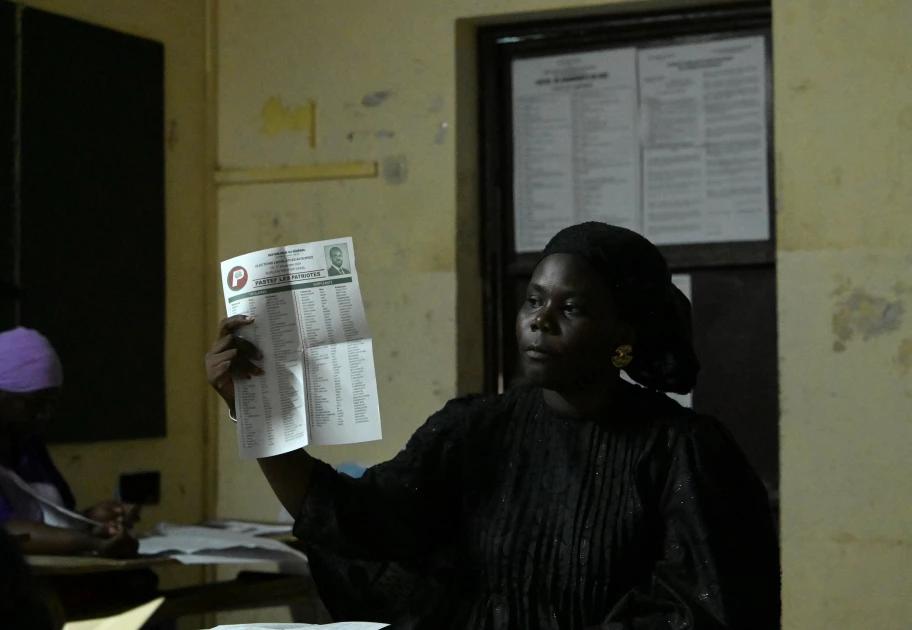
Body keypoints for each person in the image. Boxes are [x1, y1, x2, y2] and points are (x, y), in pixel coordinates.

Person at [206, 223, 780, 629]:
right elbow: (359, 525)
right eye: (534, 299)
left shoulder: (685, 453)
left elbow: (708, 611)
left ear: (623, 337)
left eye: (571, 308)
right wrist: (259, 409)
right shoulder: (475, 430)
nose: (539, 320)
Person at [0, 327, 138, 558]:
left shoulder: (28, 445)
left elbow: (48, 521)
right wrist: (91, 542)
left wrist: (89, 520)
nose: (45, 414)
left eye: (51, 403)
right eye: (34, 403)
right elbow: (7, 532)